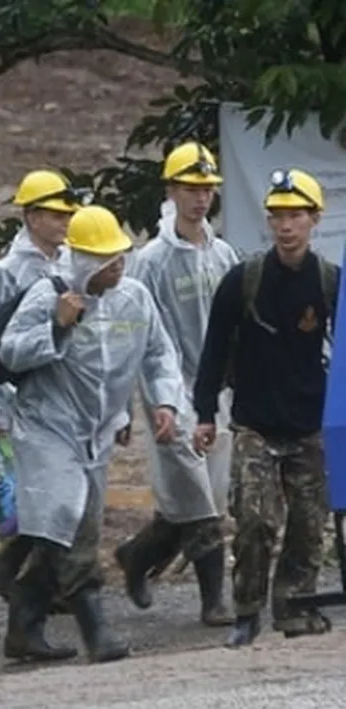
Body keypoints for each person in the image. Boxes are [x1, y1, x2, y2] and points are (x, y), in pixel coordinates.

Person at [0, 206, 182, 664]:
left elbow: (159, 354)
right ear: (81, 260)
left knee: (69, 528)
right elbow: (9, 353)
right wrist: (56, 325)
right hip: (47, 428)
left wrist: (164, 402)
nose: (117, 266)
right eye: (105, 259)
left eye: (120, 256)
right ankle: (96, 631)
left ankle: (23, 617)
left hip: (97, 433)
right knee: (72, 522)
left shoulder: (134, 299)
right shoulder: (48, 296)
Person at [193, 168, 337, 647]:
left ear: (315, 219)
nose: (285, 226)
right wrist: (204, 413)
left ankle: (295, 607)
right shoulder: (243, 280)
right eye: (277, 216)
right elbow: (213, 350)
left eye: (295, 215)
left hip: (311, 424)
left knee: (309, 524)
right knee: (255, 519)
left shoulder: (330, 283)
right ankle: (248, 610)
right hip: (254, 420)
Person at [117, 142, 238, 627]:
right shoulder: (152, 260)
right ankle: (214, 601)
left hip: (217, 392)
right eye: (191, 188)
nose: (200, 198)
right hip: (170, 388)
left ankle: (137, 554)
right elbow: (140, 334)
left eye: (207, 188)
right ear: (171, 190)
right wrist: (140, 402)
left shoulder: (223, 253)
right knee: (198, 497)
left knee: (206, 492)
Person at [0, 170, 84, 604]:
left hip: (61, 394)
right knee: (43, 495)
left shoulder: (69, 264)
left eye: (67, 214)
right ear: (31, 217)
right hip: (21, 396)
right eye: (55, 215)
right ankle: (41, 584)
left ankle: (23, 568)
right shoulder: (4, 273)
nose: (64, 222)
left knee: (52, 494)